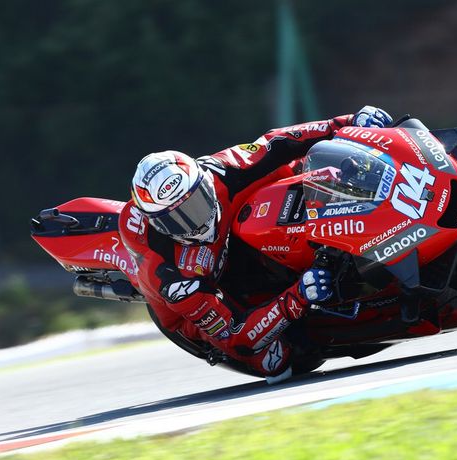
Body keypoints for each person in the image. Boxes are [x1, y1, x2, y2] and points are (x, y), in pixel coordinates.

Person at [118, 106, 392, 383]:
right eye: (176, 220)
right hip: (212, 300)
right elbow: (238, 337)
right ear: (158, 224)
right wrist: (297, 297)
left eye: (196, 205)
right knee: (276, 361)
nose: (194, 224)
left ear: (205, 184)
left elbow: (277, 143)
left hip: (237, 241)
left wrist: (346, 122)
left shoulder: (223, 170)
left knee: (293, 170)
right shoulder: (172, 277)